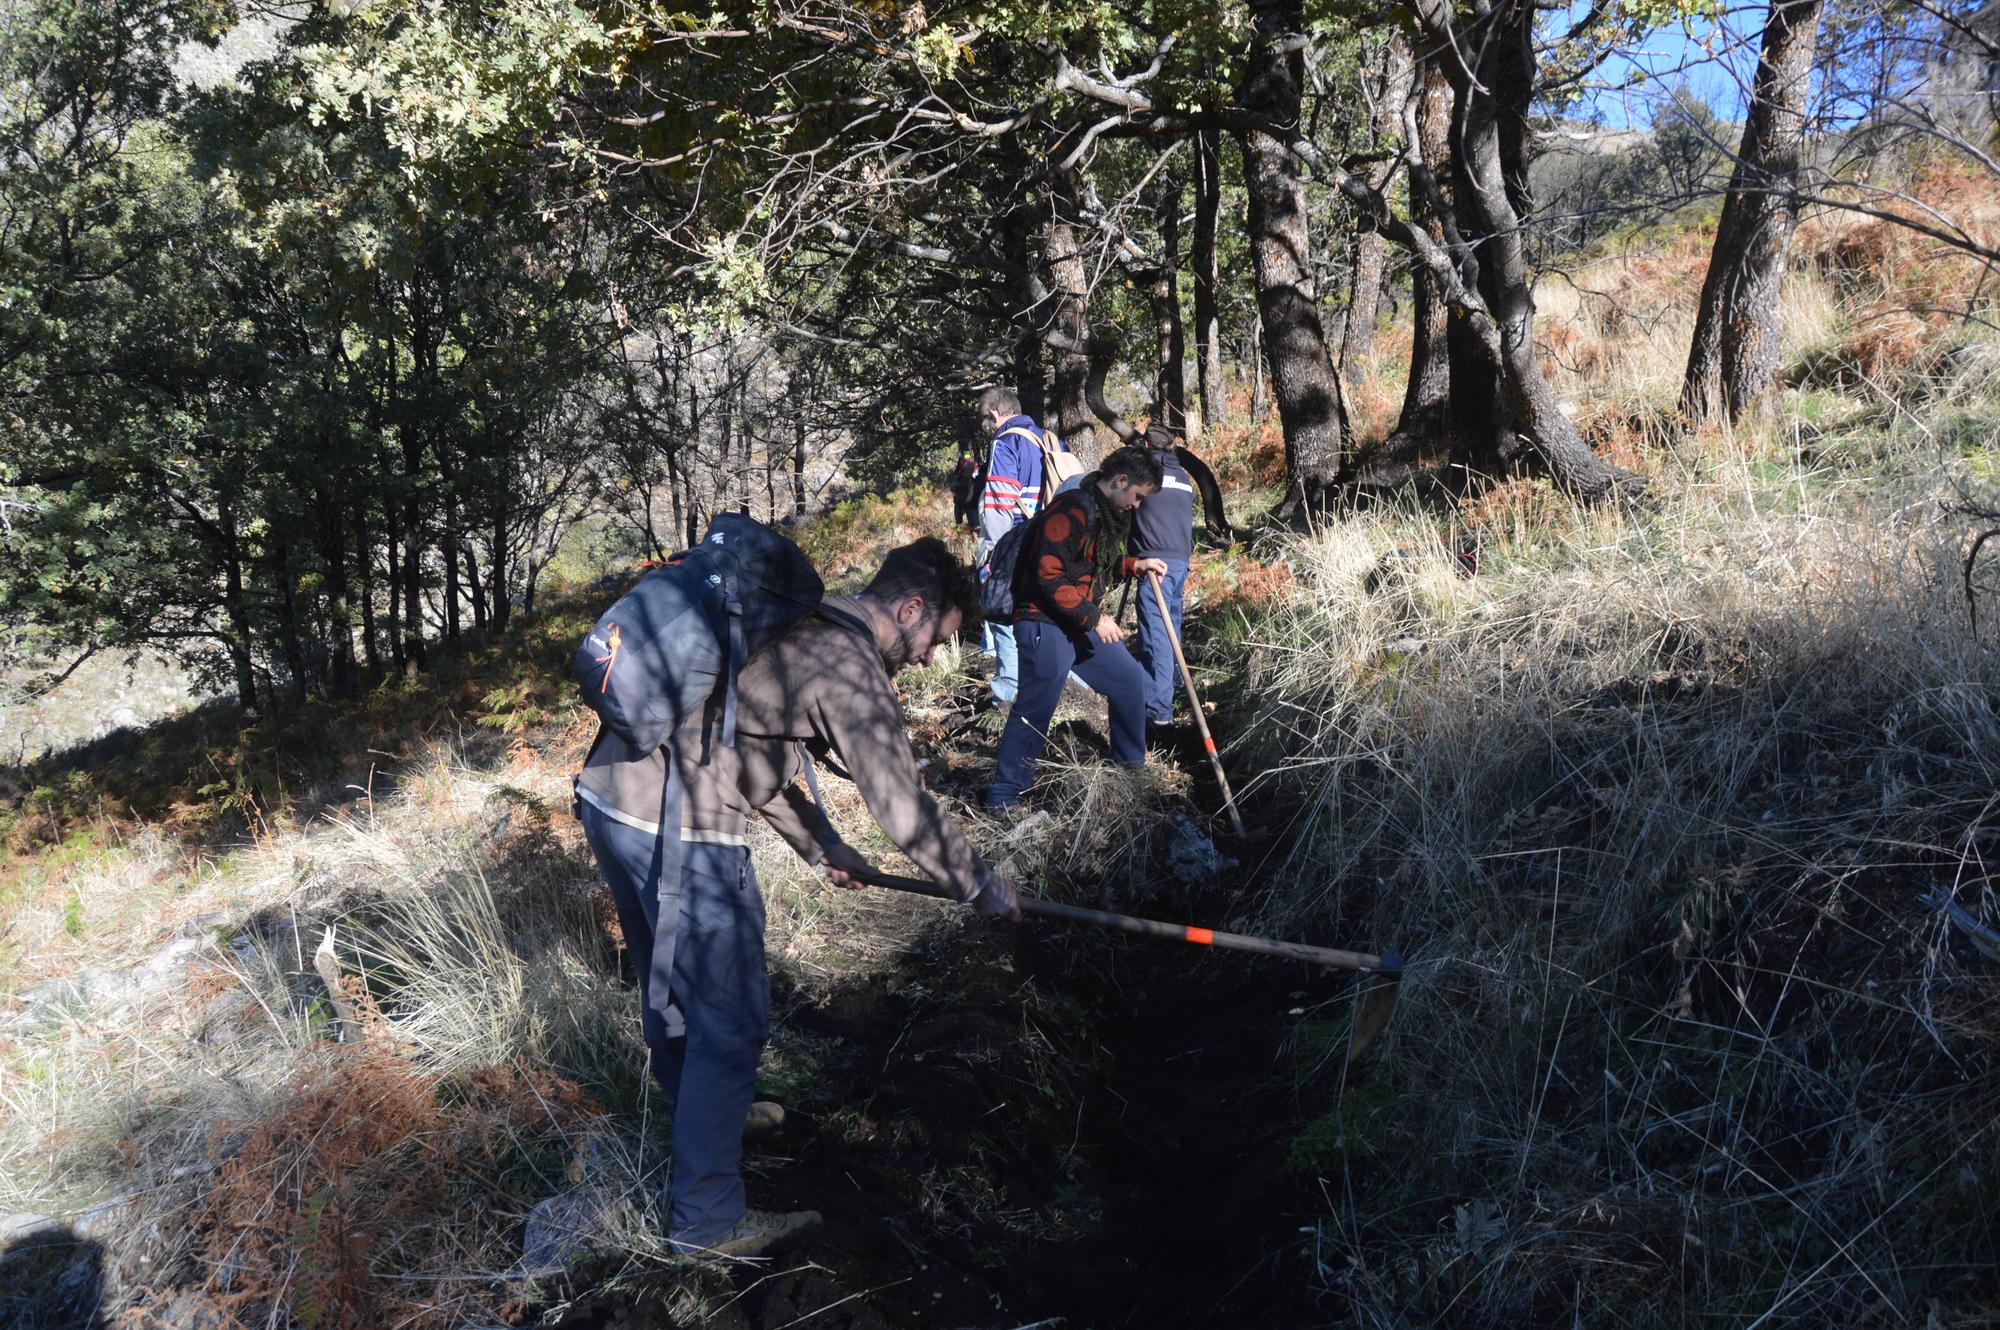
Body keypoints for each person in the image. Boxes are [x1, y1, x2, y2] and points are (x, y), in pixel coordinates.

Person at [573, 538, 1021, 1260]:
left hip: (610, 796)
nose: (934, 657)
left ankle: (705, 1115)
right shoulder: (849, 667)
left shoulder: (797, 617)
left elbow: (746, 741)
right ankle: (706, 1224)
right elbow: (903, 808)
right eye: (939, 638)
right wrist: (976, 882)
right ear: (910, 609)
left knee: (676, 984)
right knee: (731, 1019)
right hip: (679, 826)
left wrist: (821, 845)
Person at [985, 446, 1167, 812]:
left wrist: (1135, 564)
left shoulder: (1102, 512)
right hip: (1042, 622)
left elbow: (1095, 561)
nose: (1136, 505)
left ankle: (1129, 771)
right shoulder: (1071, 509)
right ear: (1120, 480)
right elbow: (1047, 574)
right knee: (1036, 708)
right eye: (1137, 496)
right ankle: (1003, 797)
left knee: (1129, 680)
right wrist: (1096, 618)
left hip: (1074, 621)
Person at [973, 387, 1067, 705]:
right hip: (1053, 539)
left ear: (994, 415)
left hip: (1015, 539)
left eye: (984, 420)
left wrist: (992, 557)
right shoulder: (1050, 439)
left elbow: (1000, 502)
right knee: (1046, 611)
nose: (985, 427)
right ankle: (1063, 680)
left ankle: (1008, 687)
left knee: (1002, 608)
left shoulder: (1006, 442)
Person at [1129, 424, 1197, 729]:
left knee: (1157, 634)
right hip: (1180, 561)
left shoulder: (1146, 475)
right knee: (1172, 628)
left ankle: (1158, 710)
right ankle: (1170, 687)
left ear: (1146, 444)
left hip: (1155, 564)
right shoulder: (1183, 477)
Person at [950, 448, 981, 527]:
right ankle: (970, 527)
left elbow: (953, 488)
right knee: (970, 515)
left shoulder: (962, 467)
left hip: (961, 496)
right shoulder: (974, 465)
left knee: (959, 513)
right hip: (968, 496)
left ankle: (960, 527)